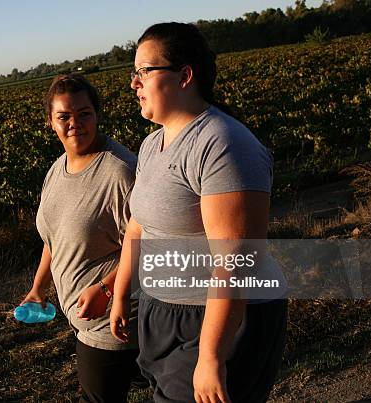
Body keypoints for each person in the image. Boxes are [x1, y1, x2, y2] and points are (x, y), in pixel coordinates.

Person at [109, 23, 288, 403]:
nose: (134, 83)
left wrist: (210, 356)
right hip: (164, 311)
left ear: (185, 75)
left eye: (144, 71)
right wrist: (121, 293)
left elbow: (236, 261)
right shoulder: (152, 143)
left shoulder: (223, 144)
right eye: (134, 73)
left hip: (217, 319)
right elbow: (139, 226)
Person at [21, 73, 142, 403]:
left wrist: (106, 288)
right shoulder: (57, 169)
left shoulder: (120, 172)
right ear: (51, 122)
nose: (74, 124)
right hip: (85, 323)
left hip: (117, 324)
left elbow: (151, 246)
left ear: (97, 115)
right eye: (64, 116)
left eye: (84, 114)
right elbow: (54, 238)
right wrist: (38, 288)